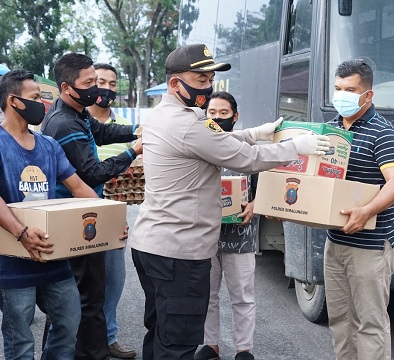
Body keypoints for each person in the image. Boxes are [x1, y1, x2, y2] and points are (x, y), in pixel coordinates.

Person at [128, 43, 330, 360]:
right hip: (179, 254)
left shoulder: (162, 116)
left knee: (159, 332)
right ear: (174, 83)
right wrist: (296, 147)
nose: (207, 86)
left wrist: (257, 132)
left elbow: (219, 141)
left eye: (210, 78)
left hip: (152, 245)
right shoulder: (187, 124)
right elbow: (245, 159)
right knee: (177, 345)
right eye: (199, 78)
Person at [40, 53, 142, 360]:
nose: (96, 89)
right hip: (75, 218)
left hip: (85, 211)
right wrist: (132, 151)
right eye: (89, 83)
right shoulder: (63, 123)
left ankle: (76, 351)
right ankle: (84, 352)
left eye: (97, 81)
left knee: (82, 297)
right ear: (67, 86)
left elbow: (100, 131)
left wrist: (136, 130)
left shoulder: (77, 111)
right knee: (85, 298)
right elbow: (91, 172)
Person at [0, 69, 99, 359]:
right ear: (13, 101)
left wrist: (106, 220)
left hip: (53, 255)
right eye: (34, 97)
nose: (42, 103)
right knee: (20, 341)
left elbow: (79, 187)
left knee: (69, 323)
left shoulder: (49, 145)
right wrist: (21, 232)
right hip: (13, 260)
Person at [324, 59, 394, 360]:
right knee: (340, 321)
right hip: (336, 242)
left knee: (369, 324)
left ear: (367, 95)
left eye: (349, 90)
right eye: (337, 89)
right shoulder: (330, 129)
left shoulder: (383, 132)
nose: (341, 95)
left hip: (371, 246)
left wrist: (367, 211)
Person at [194, 92, 259, 360]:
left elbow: (267, 183)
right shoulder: (199, 144)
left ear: (235, 116)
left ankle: (244, 349)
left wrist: (256, 204)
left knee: (242, 294)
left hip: (240, 234)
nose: (218, 118)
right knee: (207, 294)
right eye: (212, 113)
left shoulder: (248, 146)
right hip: (205, 232)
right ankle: (211, 345)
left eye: (223, 113)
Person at [86, 62, 137, 359]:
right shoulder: (79, 123)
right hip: (83, 208)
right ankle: (81, 339)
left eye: (112, 83)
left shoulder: (122, 126)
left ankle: (108, 337)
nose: (107, 88)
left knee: (114, 278)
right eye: (101, 82)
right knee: (80, 282)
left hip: (115, 210)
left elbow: (138, 163)